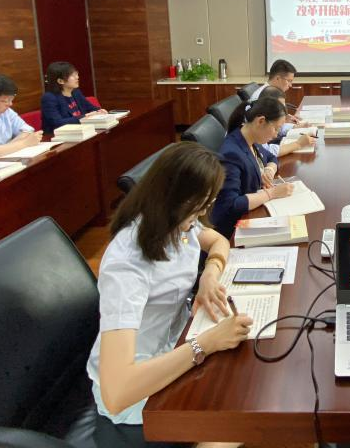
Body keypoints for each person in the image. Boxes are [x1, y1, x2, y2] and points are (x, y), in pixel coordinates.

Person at [87, 142, 252, 446]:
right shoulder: (127, 265)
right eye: (200, 206)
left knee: (245, 383)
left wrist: (209, 274)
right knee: (239, 419)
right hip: (139, 384)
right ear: (175, 199)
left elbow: (218, 241)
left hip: (176, 343)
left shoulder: (176, 223)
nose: (203, 213)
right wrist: (206, 344)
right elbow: (117, 392)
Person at [209, 97, 295, 239]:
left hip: (251, 212)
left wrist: (269, 170)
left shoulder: (249, 138)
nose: (276, 134)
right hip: (233, 230)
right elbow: (231, 204)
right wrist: (271, 193)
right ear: (260, 121)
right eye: (276, 128)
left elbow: (271, 157)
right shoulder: (231, 154)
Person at [40, 61, 106, 134]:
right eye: (72, 75)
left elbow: (90, 108)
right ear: (60, 81)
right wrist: (84, 117)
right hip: (59, 136)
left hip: (81, 132)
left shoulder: (75, 92)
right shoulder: (49, 98)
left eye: (76, 74)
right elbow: (57, 123)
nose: (77, 77)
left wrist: (99, 111)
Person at [258, 86, 314, 157]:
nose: (282, 110)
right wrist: (298, 144)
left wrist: (295, 126)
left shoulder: (265, 116)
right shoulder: (258, 124)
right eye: (279, 106)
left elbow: (279, 128)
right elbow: (267, 152)